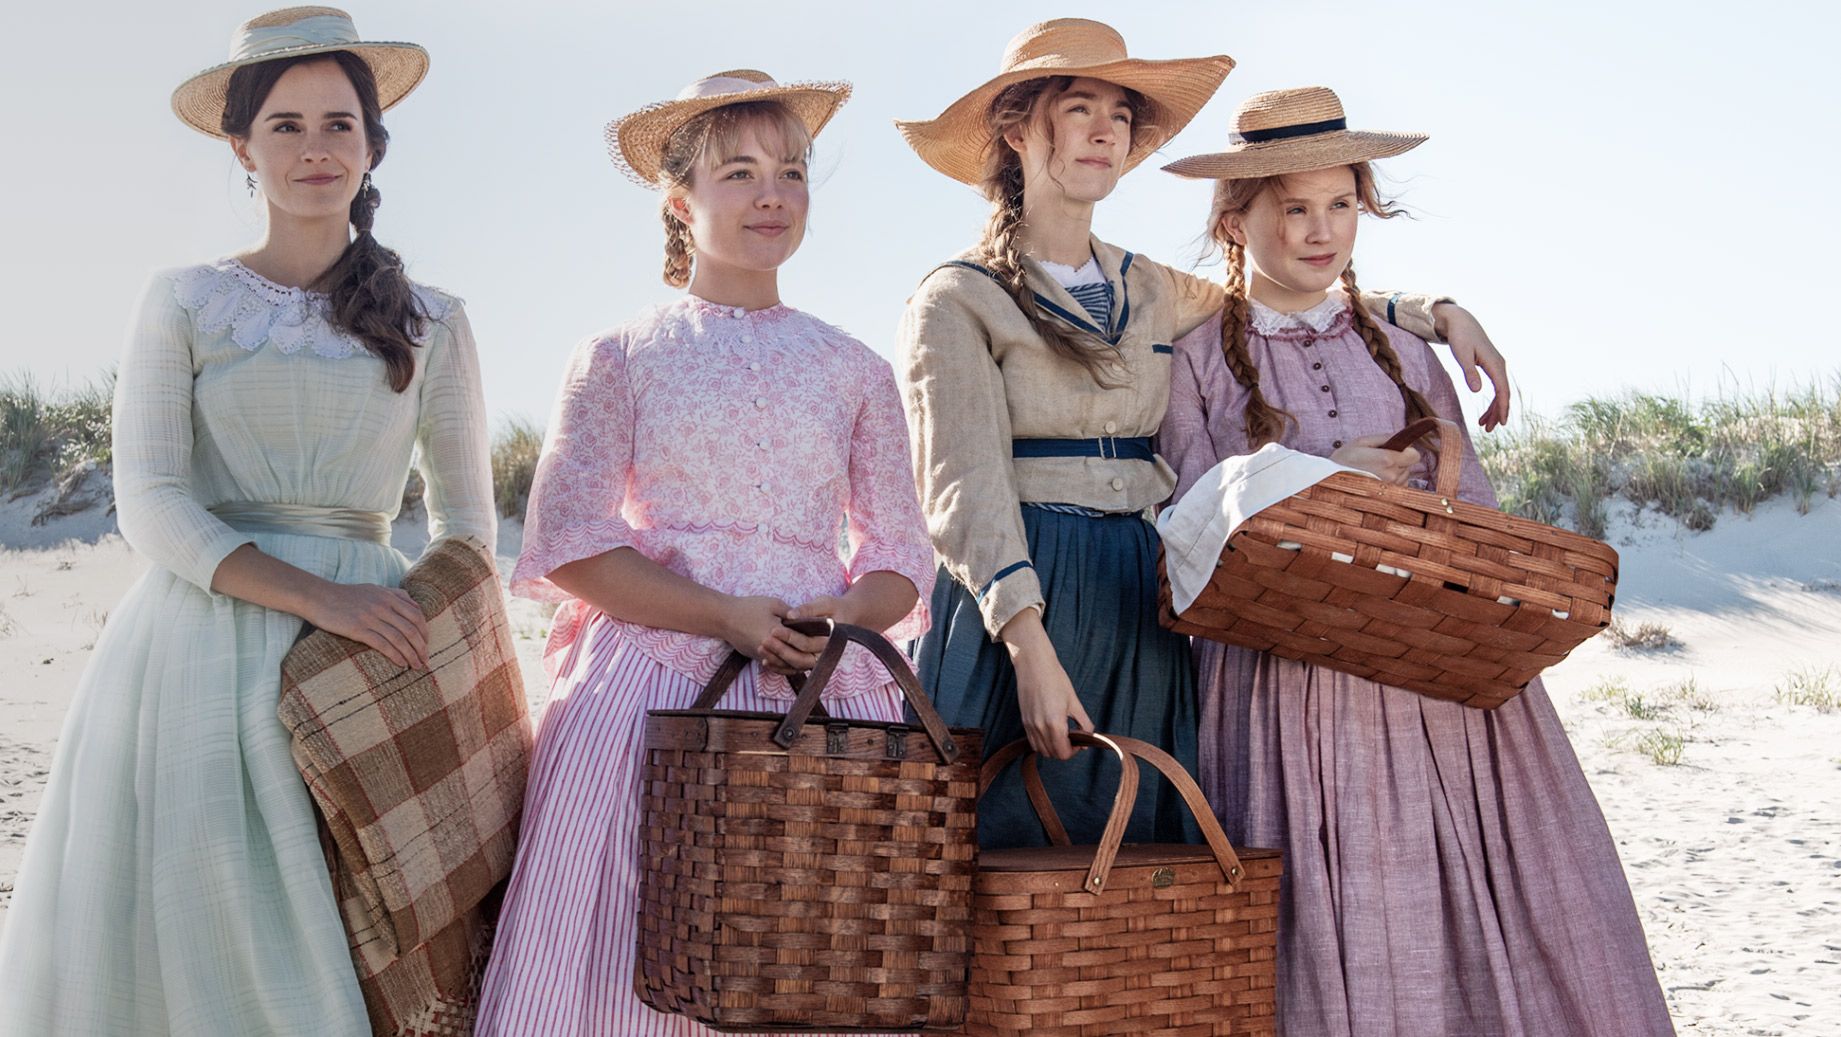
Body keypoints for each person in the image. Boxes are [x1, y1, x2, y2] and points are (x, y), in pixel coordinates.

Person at [895, 18, 1509, 848]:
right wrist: (1027, 646)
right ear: (1013, 130)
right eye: (1078, 108)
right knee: (986, 854)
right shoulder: (954, 300)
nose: (1106, 129)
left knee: (1136, 853)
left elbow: (1283, 288)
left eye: (1119, 111)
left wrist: (1433, 312)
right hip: (1017, 588)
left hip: (1136, 589)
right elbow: (961, 487)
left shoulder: (1147, 286)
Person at [0, 7, 494, 1034]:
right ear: (240, 147)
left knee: (361, 937)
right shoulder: (182, 298)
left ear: (373, 144)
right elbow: (151, 501)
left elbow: (468, 522)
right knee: (202, 933)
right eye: (283, 125)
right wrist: (320, 597)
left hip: (370, 657)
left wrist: (405, 625)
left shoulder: (434, 317)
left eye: (338, 123)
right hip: (198, 643)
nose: (314, 148)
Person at [1157, 85, 1674, 1036]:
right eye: (1293, 208)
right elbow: (1189, 526)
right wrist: (1319, 479)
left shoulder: (1406, 351)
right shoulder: (1191, 358)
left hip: (1436, 679)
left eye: (1341, 204)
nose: (1321, 231)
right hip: (1284, 684)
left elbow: (1472, 520)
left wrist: (1432, 486)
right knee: (1325, 909)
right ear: (1237, 217)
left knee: (1509, 902)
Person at [475, 71, 936, 1035]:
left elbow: (899, 556)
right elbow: (568, 546)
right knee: (621, 955)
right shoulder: (620, 355)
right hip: (651, 686)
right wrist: (727, 616)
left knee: (800, 952)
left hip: (821, 691)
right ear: (679, 203)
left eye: (793, 172)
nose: (773, 193)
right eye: (740, 172)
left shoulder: (855, 369)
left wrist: (835, 620)